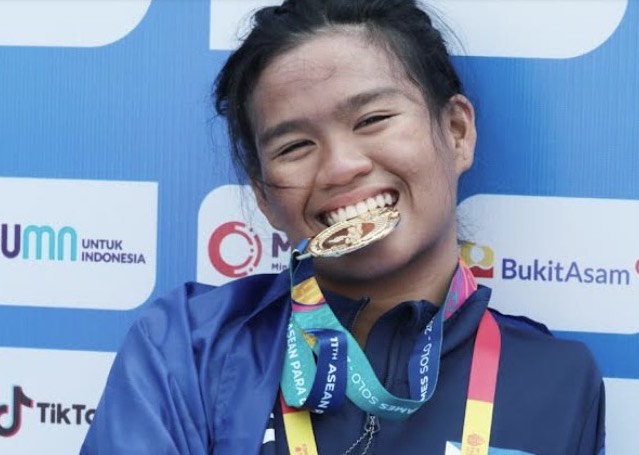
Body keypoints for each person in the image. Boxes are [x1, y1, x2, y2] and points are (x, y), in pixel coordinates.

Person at [81, 0, 605, 454]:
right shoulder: (188, 351)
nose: (339, 167)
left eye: (373, 120)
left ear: (457, 132)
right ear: (264, 195)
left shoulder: (558, 381)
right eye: (294, 147)